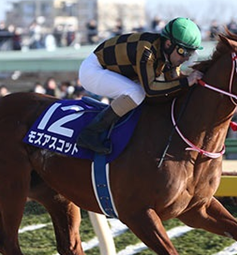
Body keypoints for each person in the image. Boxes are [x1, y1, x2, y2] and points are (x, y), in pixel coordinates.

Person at [75, 17, 204, 154]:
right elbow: (151, 90)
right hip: (93, 71)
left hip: (111, 71)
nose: (186, 58)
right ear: (168, 44)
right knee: (137, 92)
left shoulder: (167, 55)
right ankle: (90, 133)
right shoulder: (147, 49)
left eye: (191, 53)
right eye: (184, 52)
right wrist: (186, 81)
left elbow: (173, 81)